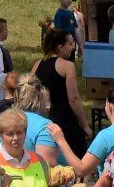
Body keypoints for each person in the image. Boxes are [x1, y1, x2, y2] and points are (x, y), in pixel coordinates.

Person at [34, 26, 89, 157]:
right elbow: (74, 99)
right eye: (70, 44)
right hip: (65, 121)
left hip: (43, 119)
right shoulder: (67, 66)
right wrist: (85, 125)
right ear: (60, 47)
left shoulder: (37, 64)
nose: (73, 47)